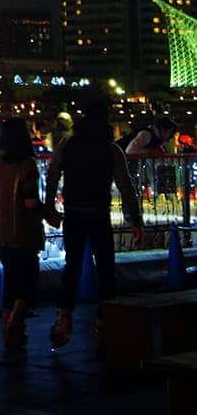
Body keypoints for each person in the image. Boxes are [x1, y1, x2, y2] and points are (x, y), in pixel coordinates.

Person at [44, 97, 143, 350]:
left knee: (72, 267)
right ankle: (104, 322)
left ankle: (64, 316)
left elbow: (53, 172)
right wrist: (135, 219)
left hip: (74, 212)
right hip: (99, 213)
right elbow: (125, 185)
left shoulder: (69, 143)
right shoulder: (111, 149)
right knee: (107, 270)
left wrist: (49, 205)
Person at [0, 117, 48, 352]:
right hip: (24, 232)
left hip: (0, 233)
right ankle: (15, 322)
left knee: (10, 281)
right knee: (28, 285)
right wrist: (49, 214)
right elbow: (30, 201)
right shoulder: (28, 164)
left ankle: (8, 332)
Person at [126, 114, 179, 212]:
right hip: (132, 167)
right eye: (171, 133)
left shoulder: (158, 139)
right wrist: (149, 152)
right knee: (132, 191)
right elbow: (130, 151)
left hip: (140, 167)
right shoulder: (146, 135)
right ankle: (133, 215)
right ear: (163, 129)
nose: (171, 137)